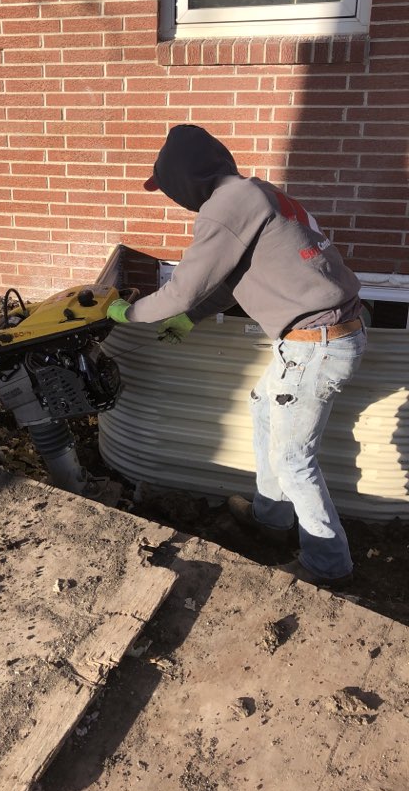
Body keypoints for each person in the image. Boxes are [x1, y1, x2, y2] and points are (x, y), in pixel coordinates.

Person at [108, 124, 367, 589]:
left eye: (168, 187)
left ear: (185, 179)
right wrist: (194, 318)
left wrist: (130, 313)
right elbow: (229, 280)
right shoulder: (257, 193)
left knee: (295, 461)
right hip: (322, 337)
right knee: (263, 404)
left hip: (314, 345)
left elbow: (184, 288)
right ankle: (270, 517)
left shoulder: (225, 207)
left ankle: (328, 568)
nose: (170, 197)